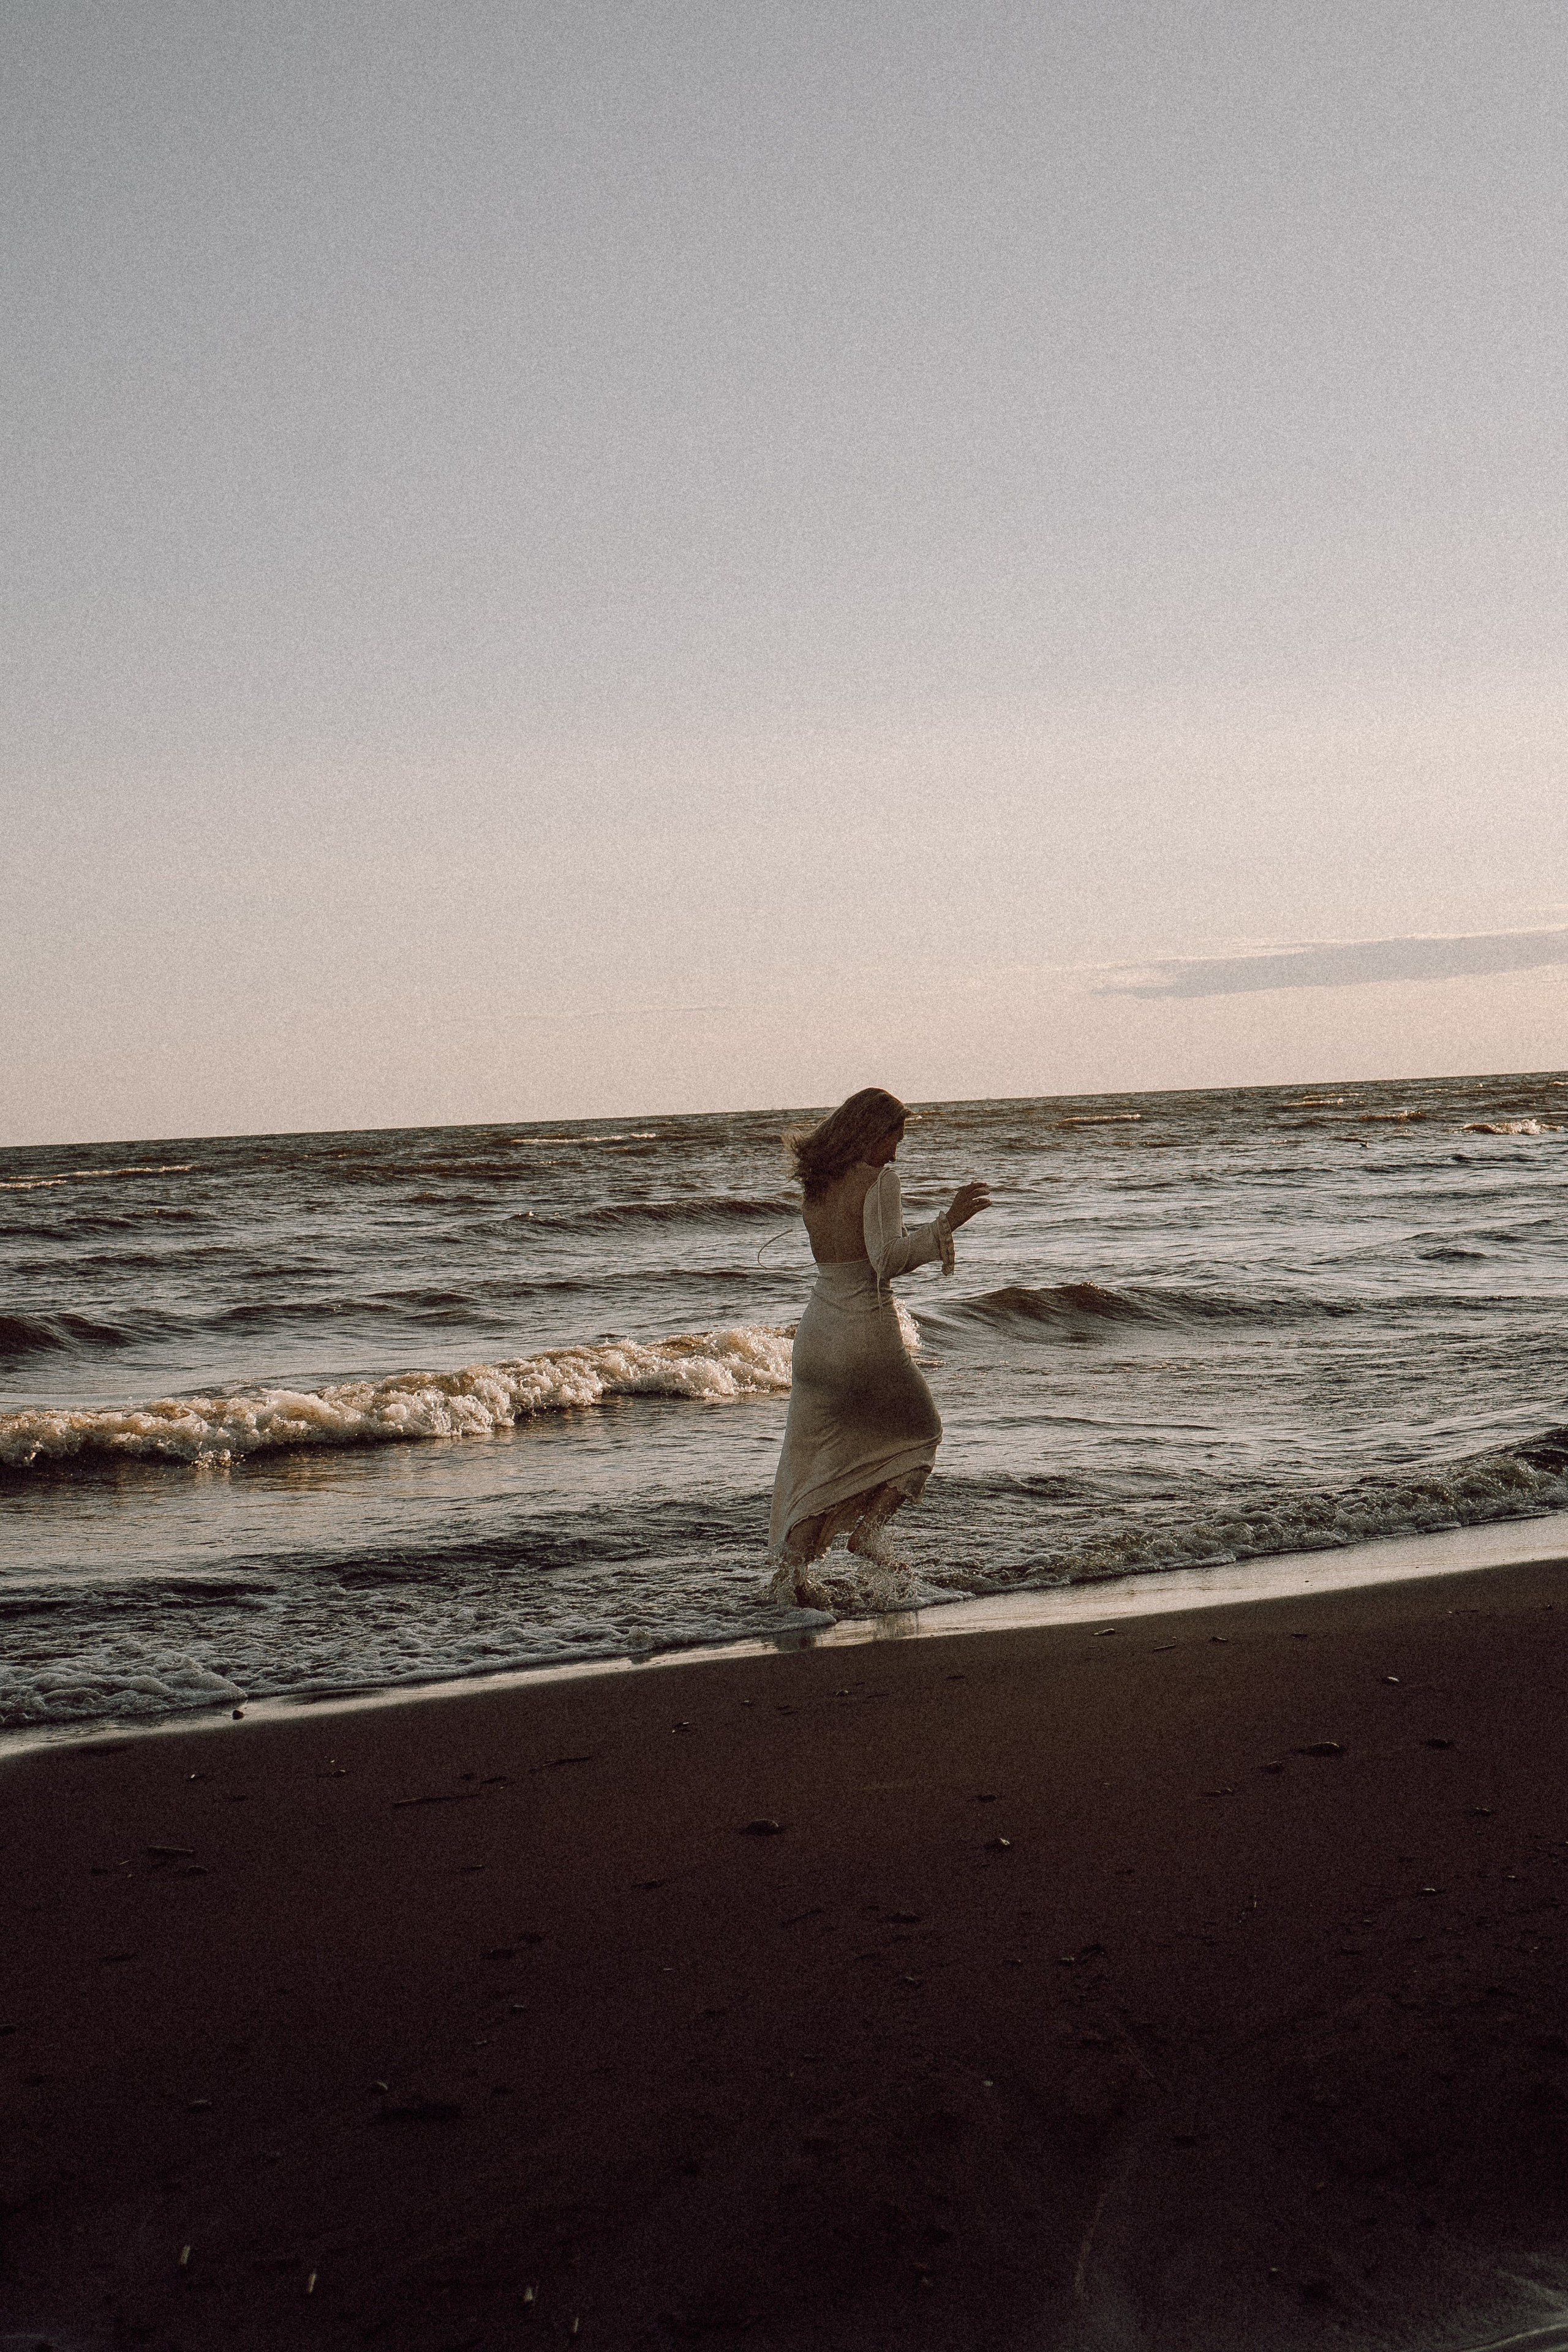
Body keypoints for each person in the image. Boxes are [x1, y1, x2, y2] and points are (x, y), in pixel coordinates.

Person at [767, 1087, 991, 1607]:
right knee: (921, 1434)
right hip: (864, 1333)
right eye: (895, 1138)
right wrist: (947, 1223)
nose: (896, 1153)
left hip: (815, 1338)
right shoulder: (878, 1180)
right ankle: (868, 1533)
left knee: (814, 1463)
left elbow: (847, 1256)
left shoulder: (817, 1183)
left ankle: (788, 1587)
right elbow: (886, 1260)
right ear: (872, 1133)